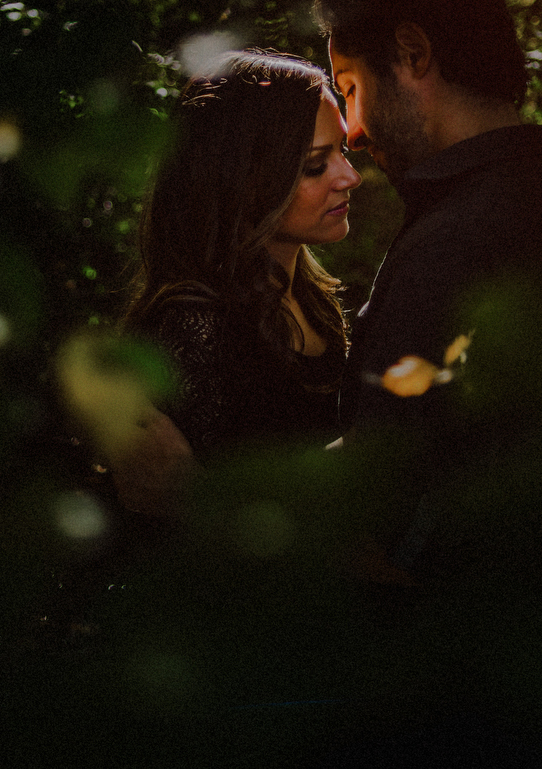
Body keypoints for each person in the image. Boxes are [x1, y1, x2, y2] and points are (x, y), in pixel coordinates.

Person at [315, 0, 542, 765]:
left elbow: (375, 510)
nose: (350, 128)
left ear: (413, 54)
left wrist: (196, 492)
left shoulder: (463, 242)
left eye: (350, 88)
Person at [116, 50, 363, 507]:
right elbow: (218, 522)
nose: (350, 177)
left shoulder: (312, 300)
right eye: (315, 165)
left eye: (342, 153)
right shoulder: (195, 327)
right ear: (245, 180)